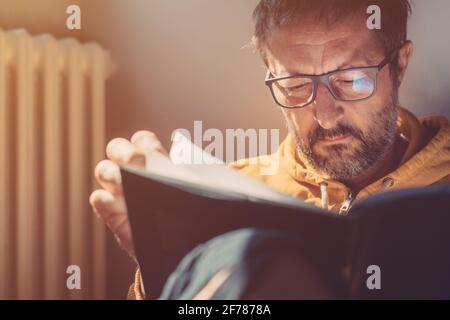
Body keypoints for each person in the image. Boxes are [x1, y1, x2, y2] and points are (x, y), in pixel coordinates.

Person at [89, 0, 450, 299]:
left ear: (399, 65)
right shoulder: (228, 197)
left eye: (351, 79)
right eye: (294, 85)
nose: (324, 117)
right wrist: (166, 263)